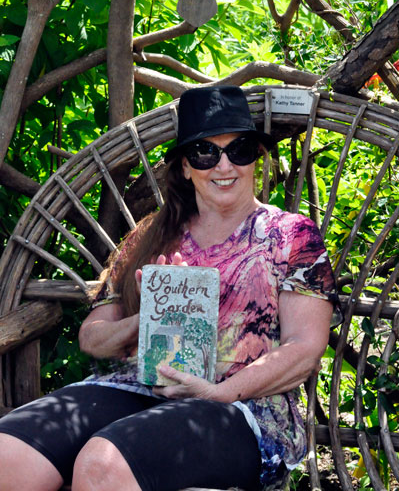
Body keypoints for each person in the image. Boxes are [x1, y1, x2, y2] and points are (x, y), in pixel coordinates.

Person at [0, 85, 338, 491]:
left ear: (256, 160)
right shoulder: (153, 236)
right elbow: (92, 338)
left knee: (102, 464)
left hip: (241, 409)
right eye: (205, 153)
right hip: (134, 390)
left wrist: (219, 393)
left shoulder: (291, 235)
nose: (224, 165)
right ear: (184, 167)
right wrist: (146, 318)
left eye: (240, 150)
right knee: (8, 455)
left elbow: (305, 349)